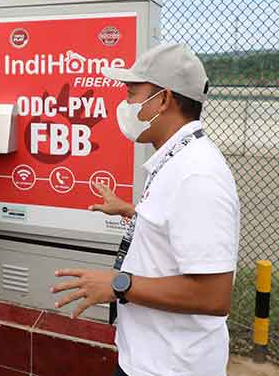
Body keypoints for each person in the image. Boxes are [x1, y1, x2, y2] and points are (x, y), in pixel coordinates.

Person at [51, 43, 240, 376]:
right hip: (148, 359)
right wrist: (131, 212)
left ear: (164, 99)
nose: (125, 105)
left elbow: (214, 294)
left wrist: (119, 284)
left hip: (171, 368)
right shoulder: (178, 161)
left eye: (132, 93)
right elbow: (173, 234)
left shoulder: (197, 174)